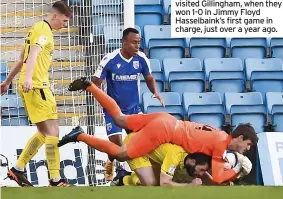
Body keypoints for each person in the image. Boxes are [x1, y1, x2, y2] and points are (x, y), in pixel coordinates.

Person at [58, 77, 256, 184]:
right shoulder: (221, 145)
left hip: (167, 119)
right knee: (121, 154)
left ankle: (90, 86)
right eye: (247, 144)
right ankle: (80, 135)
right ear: (239, 137)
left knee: (120, 119)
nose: (247, 149)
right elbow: (219, 177)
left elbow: (210, 176)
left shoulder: (220, 135)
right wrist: (237, 171)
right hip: (164, 131)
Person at [0, 1, 72, 187]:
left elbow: (21, 58)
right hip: (37, 86)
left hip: (33, 85)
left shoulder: (35, 28)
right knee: (53, 131)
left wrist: (7, 81)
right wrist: (29, 78)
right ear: (54, 15)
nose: (64, 26)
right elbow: (32, 54)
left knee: (44, 132)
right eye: (64, 21)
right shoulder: (43, 30)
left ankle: (18, 168)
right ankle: (55, 179)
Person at [92, 27, 164, 181]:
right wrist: (101, 99)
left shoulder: (141, 58)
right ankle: (113, 164)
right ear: (124, 43)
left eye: (139, 43)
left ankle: (131, 174)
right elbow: (95, 83)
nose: (137, 46)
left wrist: (156, 92)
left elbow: (149, 78)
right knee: (118, 146)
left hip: (133, 111)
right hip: (114, 111)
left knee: (139, 145)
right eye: (134, 43)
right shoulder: (110, 59)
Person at [111, 132, 211, 186]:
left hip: (151, 153)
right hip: (135, 146)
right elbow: (165, 183)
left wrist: (219, 182)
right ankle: (125, 178)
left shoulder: (191, 158)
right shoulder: (175, 155)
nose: (202, 173)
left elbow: (204, 175)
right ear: (192, 161)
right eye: (202, 170)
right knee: (152, 183)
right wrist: (190, 186)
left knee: (164, 179)